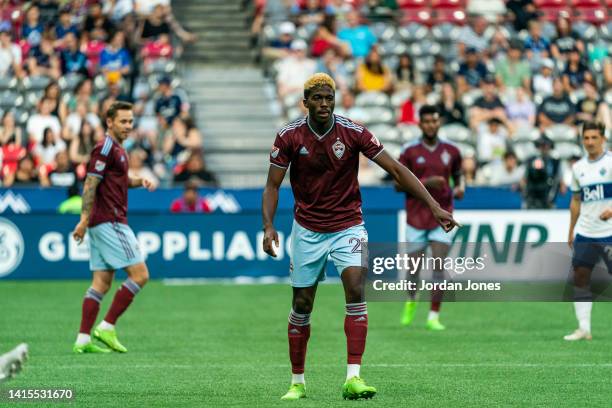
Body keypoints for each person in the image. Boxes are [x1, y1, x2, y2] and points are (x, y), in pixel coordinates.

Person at [262, 73, 458, 401]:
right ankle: (297, 381)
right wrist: (268, 226)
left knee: (355, 289)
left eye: (329, 98)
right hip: (307, 230)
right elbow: (272, 186)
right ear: (305, 102)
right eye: (318, 98)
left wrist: (434, 205)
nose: (324, 104)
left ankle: (353, 376)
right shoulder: (289, 136)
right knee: (302, 303)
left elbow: (395, 169)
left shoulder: (353, 132)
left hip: (348, 225)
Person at [71, 101, 156, 354]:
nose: (128, 126)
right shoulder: (105, 147)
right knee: (140, 275)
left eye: (131, 121)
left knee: (101, 283)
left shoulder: (118, 149)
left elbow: (117, 179)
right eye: (123, 121)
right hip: (110, 220)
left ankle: (83, 339)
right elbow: (90, 184)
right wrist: (83, 220)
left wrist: (138, 181)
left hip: (103, 222)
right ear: (109, 122)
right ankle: (107, 326)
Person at [397, 105, 464, 331]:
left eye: (434, 121)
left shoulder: (452, 150)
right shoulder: (409, 151)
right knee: (413, 269)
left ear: (439, 122)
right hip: (416, 216)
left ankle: (434, 315)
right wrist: (427, 183)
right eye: (426, 121)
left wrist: (461, 186)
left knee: (438, 265)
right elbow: (397, 185)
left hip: (442, 215)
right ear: (420, 124)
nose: (431, 125)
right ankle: (411, 300)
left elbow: (458, 175)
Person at [565, 121, 612, 341]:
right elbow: (576, 201)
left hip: (609, 231)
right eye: (586, 138)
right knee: (580, 277)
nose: (590, 142)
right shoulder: (578, 168)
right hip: (586, 231)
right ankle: (584, 328)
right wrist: (571, 230)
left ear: (603, 138)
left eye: (594, 137)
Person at [521, 135, 563, 209]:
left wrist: (562, 183)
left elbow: (558, 177)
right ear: (538, 147)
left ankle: (549, 202)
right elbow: (525, 178)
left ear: (550, 147)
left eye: (546, 145)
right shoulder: (531, 160)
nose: (544, 148)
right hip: (533, 190)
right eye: (542, 145)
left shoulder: (555, 162)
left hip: (548, 190)